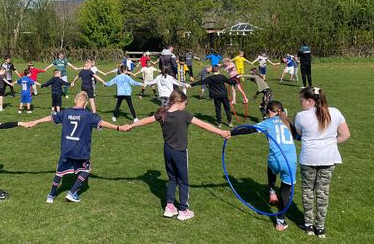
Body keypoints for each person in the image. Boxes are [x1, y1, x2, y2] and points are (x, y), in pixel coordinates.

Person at [125, 90, 230, 221]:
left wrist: (132, 125)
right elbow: (203, 124)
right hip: (180, 152)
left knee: (172, 178)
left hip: (167, 151)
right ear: (178, 102)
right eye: (185, 104)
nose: (185, 107)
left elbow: (146, 120)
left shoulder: (162, 113)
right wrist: (220, 132)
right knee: (183, 181)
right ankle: (183, 210)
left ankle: (169, 207)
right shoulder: (184, 115)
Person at [27, 91, 125, 203]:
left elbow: (50, 118)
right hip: (81, 151)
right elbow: (103, 123)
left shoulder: (66, 112)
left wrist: (36, 121)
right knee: (86, 169)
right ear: (86, 102)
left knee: (59, 172)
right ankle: (72, 193)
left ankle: (51, 195)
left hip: (66, 149)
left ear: (75, 100)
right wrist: (118, 127)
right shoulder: (89, 115)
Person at [230, 101, 297, 231]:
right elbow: (299, 136)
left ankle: (272, 191)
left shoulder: (268, 122)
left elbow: (250, 128)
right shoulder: (288, 123)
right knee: (285, 191)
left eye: (267, 113)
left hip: (275, 161)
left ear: (270, 112)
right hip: (290, 161)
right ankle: (280, 222)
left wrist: (231, 133)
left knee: (272, 165)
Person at [294, 87, 350, 238]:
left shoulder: (301, 116)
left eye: (302, 100)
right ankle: (320, 228)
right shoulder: (336, 112)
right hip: (329, 158)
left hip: (308, 159)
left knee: (307, 191)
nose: (301, 103)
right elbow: (345, 135)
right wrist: (331, 143)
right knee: (323, 192)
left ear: (310, 101)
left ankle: (308, 226)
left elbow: (299, 133)